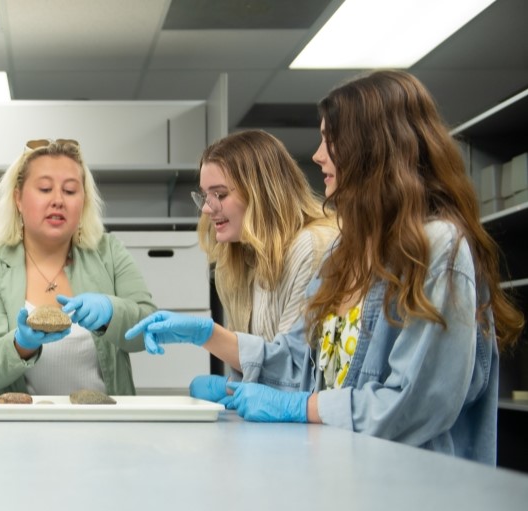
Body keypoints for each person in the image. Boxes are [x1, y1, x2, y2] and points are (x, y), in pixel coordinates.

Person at [125, 70, 524, 465]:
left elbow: (414, 406)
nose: (316, 155)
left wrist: (304, 408)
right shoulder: (343, 252)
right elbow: (297, 363)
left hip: (412, 488)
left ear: (373, 148)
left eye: (329, 141)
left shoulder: (437, 248)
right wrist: (206, 335)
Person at [0, 139, 156, 395]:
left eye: (70, 191)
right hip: (14, 430)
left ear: (83, 201)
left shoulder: (110, 253)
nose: (58, 200)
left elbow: (149, 330)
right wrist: (21, 345)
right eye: (45, 188)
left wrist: (111, 313)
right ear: (18, 198)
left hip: (102, 426)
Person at [177, 130, 337, 384]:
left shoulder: (312, 246)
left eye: (219, 195)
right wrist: (232, 387)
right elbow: (253, 372)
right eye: (205, 196)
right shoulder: (234, 258)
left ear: (261, 191)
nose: (207, 208)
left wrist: (209, 336)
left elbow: (293, 369)